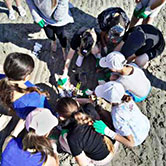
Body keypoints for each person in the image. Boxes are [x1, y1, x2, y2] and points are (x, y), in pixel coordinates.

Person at [55, 97, 119, 166]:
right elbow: (88, 101)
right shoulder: (89, 108)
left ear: (62, 117)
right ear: (77, 104)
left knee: (62, 139)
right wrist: (75, 99)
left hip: (103, 159)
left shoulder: (72, 137)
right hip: (114, 142)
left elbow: (83, 164)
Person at [94, 81, 150, 147]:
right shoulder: (126, 97)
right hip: (144, 126)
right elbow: (113, 91)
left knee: (103, 114)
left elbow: (131, 143)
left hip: (136, 138)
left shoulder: (117, 114)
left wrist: (107, 131)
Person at [0, 52, 52, 120]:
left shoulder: (3, 79)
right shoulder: (33, 100)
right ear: (26, 77)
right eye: (30, 73)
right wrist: (41, 95)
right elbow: (41, 114)